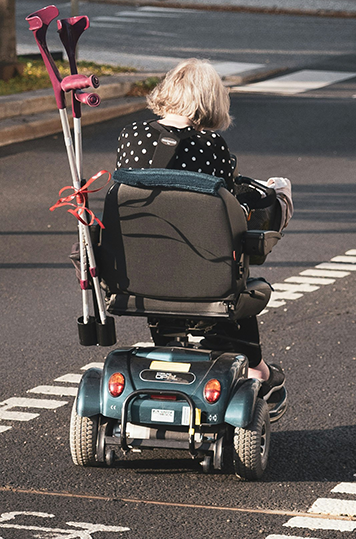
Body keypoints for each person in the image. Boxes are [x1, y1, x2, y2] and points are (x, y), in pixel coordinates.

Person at [114, 58, 289, 397]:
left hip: (140, 270)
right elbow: (226, 203)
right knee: (240, 280)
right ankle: (256, 368)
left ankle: (171, 349)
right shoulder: (210, 145)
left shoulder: (131, 135)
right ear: (210, 101)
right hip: (202, 272)